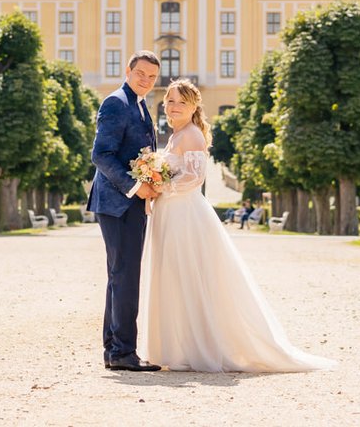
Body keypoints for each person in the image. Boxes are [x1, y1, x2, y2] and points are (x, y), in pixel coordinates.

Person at [141, 79, 334, 373]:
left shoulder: (191, 135)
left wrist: (159, 187)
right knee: (172, 275)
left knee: (186, 276)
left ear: (194, 107)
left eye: (181, 102)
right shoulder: (174, 135)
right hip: (171, 212)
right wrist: (153, 184)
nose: (174, 107)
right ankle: (176, 347)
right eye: (170, 101)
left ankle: (194, 348)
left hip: (185, 216)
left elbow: (195, 178)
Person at [87, 50, 162, 373]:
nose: (145, 80)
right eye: (141, 73)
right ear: (128, 71)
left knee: (120, 276)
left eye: (152, 77)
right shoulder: (116, 102)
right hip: (118, 203)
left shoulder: (140, 104)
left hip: (127, 204)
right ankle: (123, 352)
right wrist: (136, 187)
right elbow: (101, 155)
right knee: (126, 277)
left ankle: (113, 349)